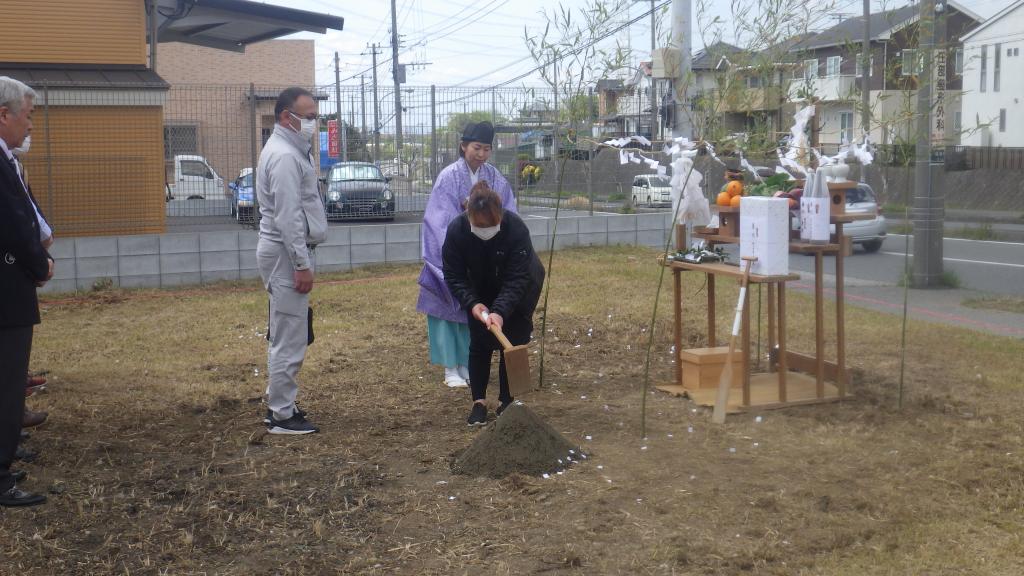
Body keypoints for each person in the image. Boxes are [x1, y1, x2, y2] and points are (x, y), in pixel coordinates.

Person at [417, 121, 517, 388]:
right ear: (463, 147)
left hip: (483, 256)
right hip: (454, 253)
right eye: (476, 147)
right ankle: (450, 368)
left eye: (486, 149)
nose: (481, 154)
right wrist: (456, 254)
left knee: (475, 312)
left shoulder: (495, 177)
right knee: (449, 310)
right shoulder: (448, 177)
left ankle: (467, 364)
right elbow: (439, 221)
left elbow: (507, 213)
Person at [442, 183, 544, 426]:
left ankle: (505, 401)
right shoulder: (457, 231)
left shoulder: (515, 228)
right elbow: (454, 275)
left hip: (520, 290)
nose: (486, 230)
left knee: (512, 341)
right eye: (480, 226)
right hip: (478, 289)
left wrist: (500, 311)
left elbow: (518, 278)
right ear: (469, 216)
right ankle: (478, 402)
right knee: (480, 343)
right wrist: (473, 304)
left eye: (491, 225)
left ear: (500, 216)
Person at [256, 87, 327, 435]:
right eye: (309, 117)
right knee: (290, 336)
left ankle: (281, 400)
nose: (315, 123)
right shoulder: (285, 156)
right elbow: (288, 216)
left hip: (285, 252)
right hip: (285, 254)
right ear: (287, 117)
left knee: (286, 329)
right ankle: (281, 415)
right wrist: (301, 264)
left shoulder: (292, 150)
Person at [0, 76, 53, 506]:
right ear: (4, 115)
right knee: (7, 380)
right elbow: (17, 225)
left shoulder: (8, 160)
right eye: (28, 116)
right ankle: (1, 479)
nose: (31, 125)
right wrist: (39, 264)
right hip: (7, 291)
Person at [12, 134, 51, 430]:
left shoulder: (14, 164)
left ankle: (14, 408)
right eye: (26, 118)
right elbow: (16, 219)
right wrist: (38, 261)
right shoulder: (6, 165)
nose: (29, 131)